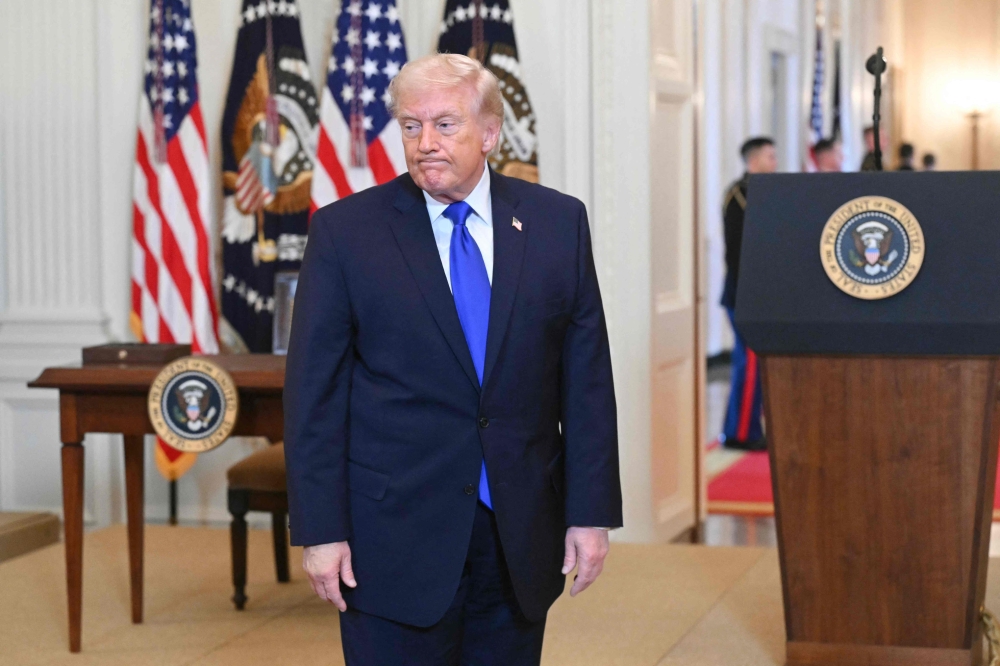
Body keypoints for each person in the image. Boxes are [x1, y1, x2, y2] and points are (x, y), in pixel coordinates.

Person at [283, 53, 623, 666]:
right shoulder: (346, 233)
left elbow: (587, 383)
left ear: (490, 133)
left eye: (445, 124)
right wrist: (320, 530)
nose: (424, 143)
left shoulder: (556, 223)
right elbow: (314, 396)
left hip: (518, 531)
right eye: (410, 126)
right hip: (391, 538)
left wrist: (590, 514)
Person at [719, 137, 775, 451]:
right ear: (753, 161)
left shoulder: (761, 192)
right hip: (744, 293)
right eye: (770, 156)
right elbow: (742, 251)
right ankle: (741, 432)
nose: (775, 162)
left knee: (752, 361)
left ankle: (743, 426)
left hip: (754, 294)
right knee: (750, 363)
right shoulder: (740, 195)